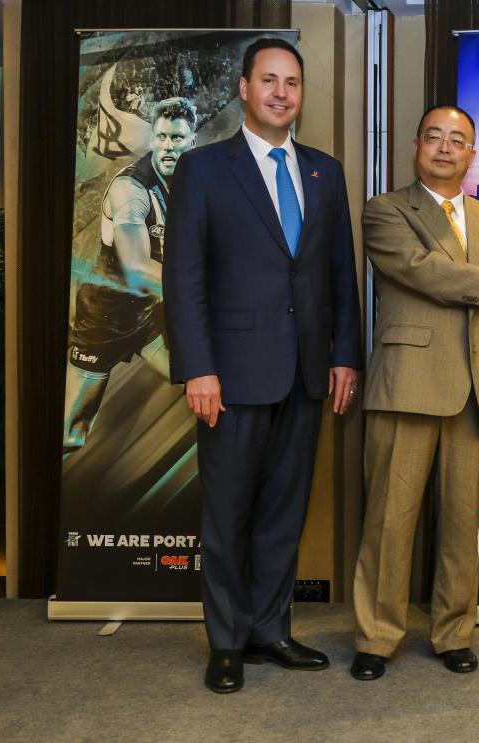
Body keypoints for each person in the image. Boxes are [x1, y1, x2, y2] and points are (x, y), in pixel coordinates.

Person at [163, 38, 362, 694]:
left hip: (307, 371)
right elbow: (184, 277)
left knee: (284, 509)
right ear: (244, 89)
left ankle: (269, 629)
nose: (282, 92)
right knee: (228, 513)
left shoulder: (323, 173)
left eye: (293, 82)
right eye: (269, 80)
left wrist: (343, 356)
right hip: (231, 374)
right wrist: (198, 367)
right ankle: (225, 642)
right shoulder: (202, 169)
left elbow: (338, 275)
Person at [350, 105, 479, 680]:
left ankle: (454, 632)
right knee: (389, 521)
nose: (446, 148)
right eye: (436, 137)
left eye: (459, 140)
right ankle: (376, 638)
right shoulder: (386, 211)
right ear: (416, 145)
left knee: (460, 523)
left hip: (477, 393)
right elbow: (422, 271)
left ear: (473, 154)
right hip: (408, 384)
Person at [63, 97, 197, 453]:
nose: (168, 146)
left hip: (150, 316)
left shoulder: (194, 183)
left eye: (177, 138)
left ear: (192, 142)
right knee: (70, 436)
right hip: (103, 321)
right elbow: (138, 270)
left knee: (211, 382)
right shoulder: (131, 190)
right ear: (152, 139)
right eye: (162, 137)